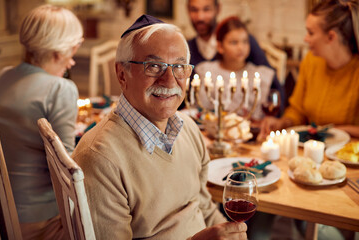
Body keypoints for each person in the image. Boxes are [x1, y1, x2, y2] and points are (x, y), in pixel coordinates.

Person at [72, 15, 247, 239]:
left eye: (179, 66)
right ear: (122, 74)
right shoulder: (99, 157)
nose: (170, 80)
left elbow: (203, 207)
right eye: (154, 66)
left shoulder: (189, 129)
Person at [0, 4, 82, 240]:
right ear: (58, 52)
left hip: (3, 213)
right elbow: (66, 171)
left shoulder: (3, 76)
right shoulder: (60, 89)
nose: (71, 62)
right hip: (40, 222)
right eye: (73, 51)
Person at [258, 0, 359, 140]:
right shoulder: (311, 61)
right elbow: (297, 111)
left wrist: (332, 131)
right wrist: (282, 123)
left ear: (331, 37)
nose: (305, 39)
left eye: (311, 33)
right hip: (312, 149)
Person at [186, 0, 285, 113]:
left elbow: (271, 83)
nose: (200, 17)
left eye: (206, 9)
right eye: (194, 10)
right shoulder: (189, 49)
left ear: (218, 9)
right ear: (220, 46)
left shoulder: (243, 38)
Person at [195, 16, 275, 121]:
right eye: (234, 42)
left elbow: (261, 117)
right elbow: (202, 109)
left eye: (245, 41)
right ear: (220, 47)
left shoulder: (259, 75)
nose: (241, 47)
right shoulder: (208, 72)